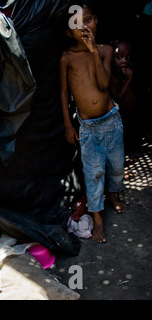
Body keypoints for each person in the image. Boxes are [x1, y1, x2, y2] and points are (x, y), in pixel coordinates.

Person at [60, 3, 127, 243]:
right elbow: (63, 92)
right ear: (69, 33)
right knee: (93, 172)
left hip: (112, 122)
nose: (84, 27)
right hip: (88, 128)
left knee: (116, 165)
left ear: (96, 21)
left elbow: (103, 84)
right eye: (77, 25)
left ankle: (113, 195)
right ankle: (97, 218)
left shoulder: (106, 51)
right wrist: (69, 125)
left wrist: (92, 51)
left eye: (88, 20)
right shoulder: (67, 58)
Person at [109, 39, 138, 152]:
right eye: (119, 57)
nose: (125, 61)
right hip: (119, 118)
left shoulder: (124, 73)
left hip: (129, 114)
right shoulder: (112, 78)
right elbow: (117, 100)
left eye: (128, 57)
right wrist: (127, 81)